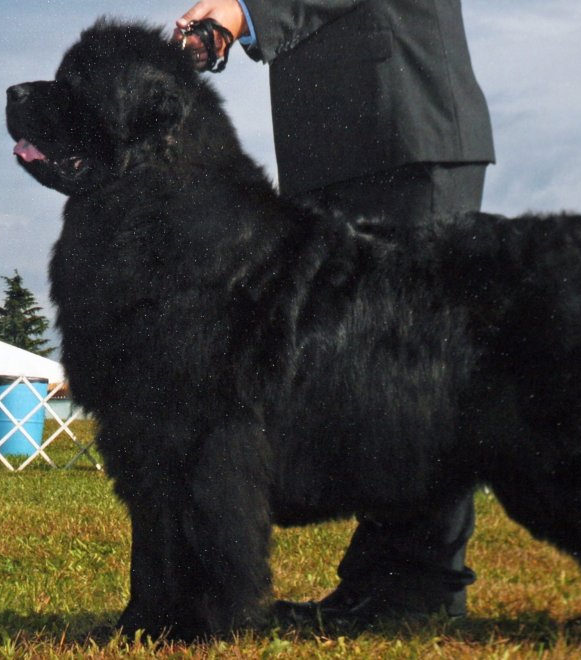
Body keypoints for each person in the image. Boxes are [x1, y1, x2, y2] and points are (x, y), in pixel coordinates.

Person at [175, 0, 495, 622]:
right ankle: (383, 580)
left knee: (417, 372)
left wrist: (245, 10)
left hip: (403, 123)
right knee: (372, 382)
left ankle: (420, 586)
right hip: (342, 144)